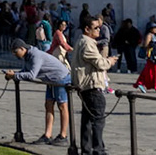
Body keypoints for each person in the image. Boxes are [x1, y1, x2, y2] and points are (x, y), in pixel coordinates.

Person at [6, 42, 72, 146]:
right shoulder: (28, 56)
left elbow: (32, 75)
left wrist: (14, 76)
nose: (15, 54)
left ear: (22, 48)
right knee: (48, 105)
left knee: (62, 106)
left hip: (60, 77)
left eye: (15, 52)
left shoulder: (35, 56)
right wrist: (15, 74)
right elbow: (26, 70)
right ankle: (47, 135)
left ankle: (63, 136)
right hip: (50, 79)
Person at [73, 14, 118, 155]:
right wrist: (109, 61)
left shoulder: (83, 41)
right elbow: (99, 63)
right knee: (98, 120)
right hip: (92, 86)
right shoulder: (87, 43)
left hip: (86, 86)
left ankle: (87, 150)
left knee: (87, 120)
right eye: (96, 28)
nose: (99, 30)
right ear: (87, 29)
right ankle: (98, 149)